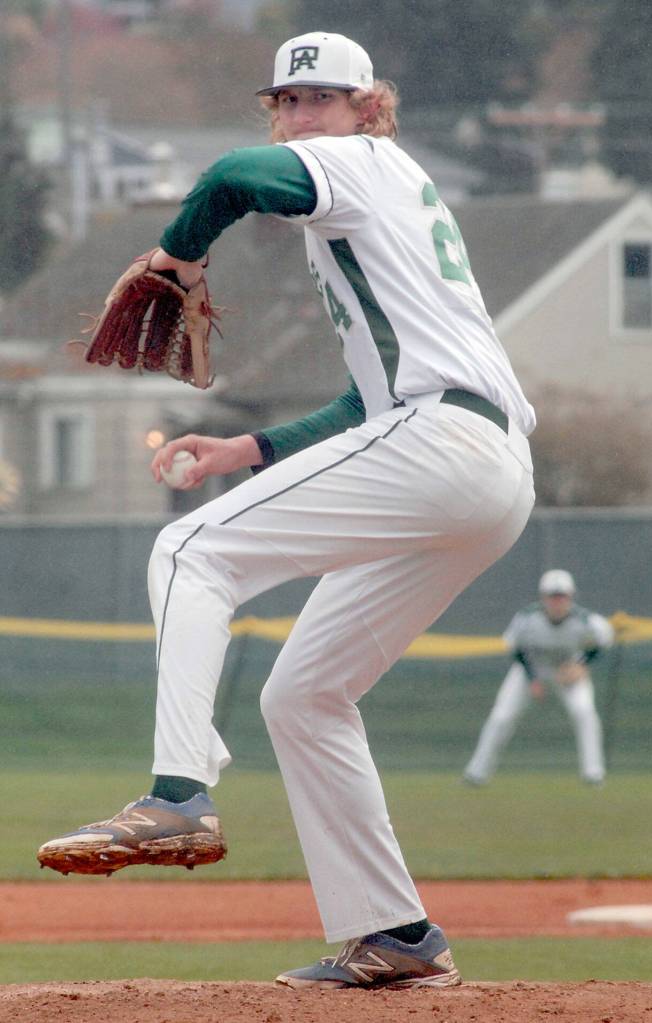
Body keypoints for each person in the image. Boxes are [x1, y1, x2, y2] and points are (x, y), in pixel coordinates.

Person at [38, 31, 536, 989]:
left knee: (190, 550)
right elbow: (370, 401)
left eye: (323, 100)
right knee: (303, 694)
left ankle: (177, 794)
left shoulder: (354, 166)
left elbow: (230, 176)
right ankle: (397, 935)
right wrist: (252, 447)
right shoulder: (376, 207)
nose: (303, 117)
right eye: (288, 103)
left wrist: (179, 257)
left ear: (367, 108)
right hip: (474, 465)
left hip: (446, 446)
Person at [463, 569, 614, 787]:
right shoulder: (527, 618)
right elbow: (514, 648)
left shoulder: (586, 620)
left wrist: (581, 665)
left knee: (585, 712)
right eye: (553, 596)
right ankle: (476, 774)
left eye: (562, 596)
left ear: (571, 597)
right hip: (530, 669)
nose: (557, 601)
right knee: (501, 716)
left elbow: (605, 639)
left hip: (567, 671)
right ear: (543, 598)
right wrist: (533, 679)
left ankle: (593, 774)